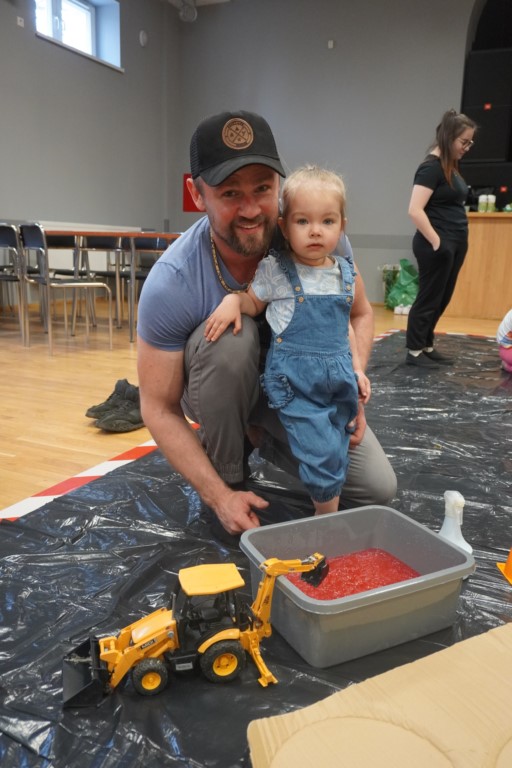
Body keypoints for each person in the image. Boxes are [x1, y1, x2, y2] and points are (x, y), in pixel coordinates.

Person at [137, 110, 396, 535]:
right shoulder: (173, 281)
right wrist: (218, 496)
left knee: (376, 488)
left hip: (301, 389)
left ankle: (262, 432)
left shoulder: (318, 241)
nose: (251, 209)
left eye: (262, 188)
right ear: (197, 194)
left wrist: (352, 384)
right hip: (218, 384)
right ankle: (230, 469)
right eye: (230, 193)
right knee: (232, 341)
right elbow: (157, 407)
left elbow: (359, 312)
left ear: (279, 183)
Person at [205, 165, 370, 516]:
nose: (315, 231)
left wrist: (357, 370)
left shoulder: (346, 273)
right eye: (302, 221)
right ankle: (325, 517)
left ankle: (319, 490)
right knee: (320, 452)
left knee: (338, 443)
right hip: (297, 383)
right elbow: (253, 302)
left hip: (339, 381)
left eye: (327, 221)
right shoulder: (277, 270)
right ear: (284, 226)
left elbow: (346, 326)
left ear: (342, 226)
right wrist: (235, 301)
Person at [405, 109, 477, 368]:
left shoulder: (450, 167)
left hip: (454, 242)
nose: (467, 147)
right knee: (429, 297)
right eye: (464, 142)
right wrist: (437, 242)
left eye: (470, 142)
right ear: (448, 138)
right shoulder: (430, 168)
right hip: (437, 244)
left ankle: (426, 344)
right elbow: (415, 210)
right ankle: (414, 351)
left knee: (442, 297)